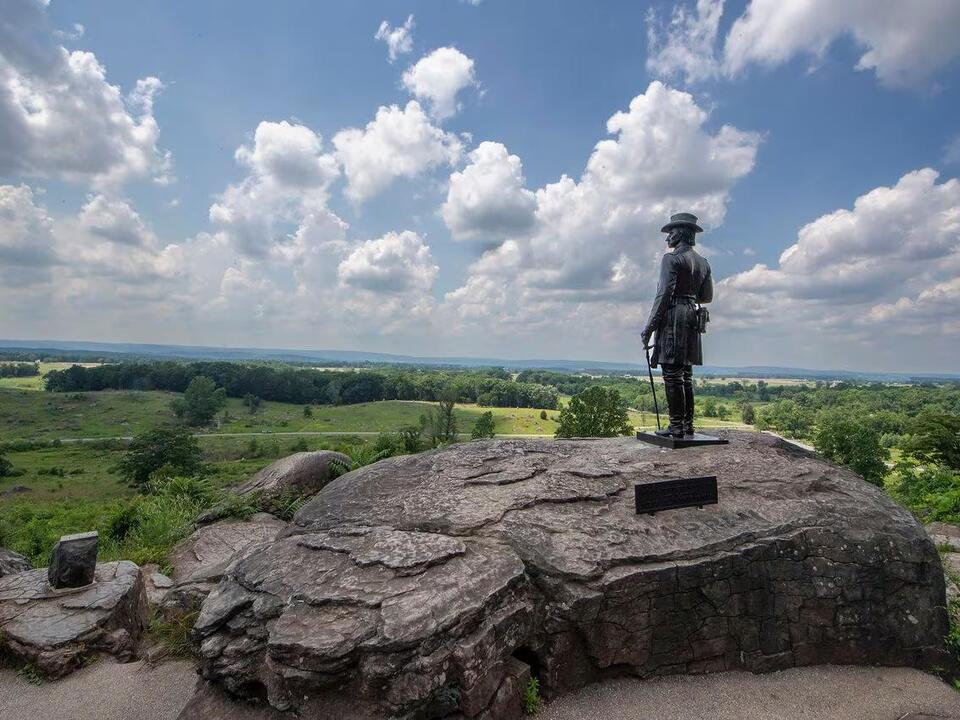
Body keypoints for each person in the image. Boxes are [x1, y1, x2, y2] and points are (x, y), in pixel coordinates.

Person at [640, 213, 713, 439]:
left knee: (672, 375)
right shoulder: (703, 263)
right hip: (691, 316)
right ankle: (687, 425)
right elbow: (707, 296)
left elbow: (663, 294)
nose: (667, 238)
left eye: (670, 233)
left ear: (680, 233)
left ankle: (676, 427)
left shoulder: (671, 259)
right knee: (686, 375)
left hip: (673, 317)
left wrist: (649, 327)